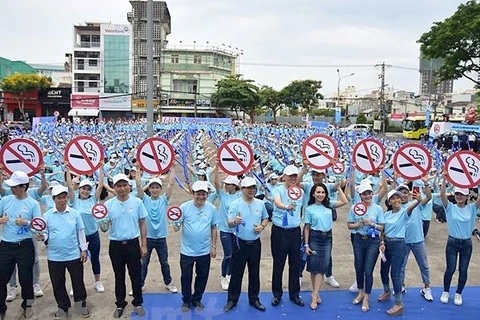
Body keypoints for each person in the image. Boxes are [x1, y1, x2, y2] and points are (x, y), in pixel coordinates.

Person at [39, 185, 90, 319]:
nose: (62, 200)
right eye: (59, 198)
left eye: (64, 197)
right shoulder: (47, 215)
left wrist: (83, 249)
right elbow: (45, 233)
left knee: (78, 281)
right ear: (53, 199)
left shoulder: (74, 213)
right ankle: (62, 306)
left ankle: (81, 304)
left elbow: (80, 231)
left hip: (73, 254)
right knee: (57, 283)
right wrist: (42, 237)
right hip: (54, 256)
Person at [104, 173, 148, 318]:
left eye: (124, 185)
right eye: (119, 186)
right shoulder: (108, 205)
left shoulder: (137, 202)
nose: (122, 189)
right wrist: (101, 222)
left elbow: (142, 223)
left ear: (129, 186)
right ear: (114, 187)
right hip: (116, 245)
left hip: (132, 244)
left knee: (135, 275)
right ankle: (120, 303)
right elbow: (104, 227)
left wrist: (143, 244)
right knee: (119, 276)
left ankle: (138, 303)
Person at [223, 177, 269, 312]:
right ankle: (232, 300)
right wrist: (235, 221)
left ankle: (254, 298)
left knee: (254, 273)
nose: (252, 190)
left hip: (255, 243)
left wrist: (262, 226)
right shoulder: (235, 204)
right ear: (242, 189)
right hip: (239, 243)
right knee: (237, 273)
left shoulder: (260, 203)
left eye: (253, 188)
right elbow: (229, 222)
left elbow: (265, 218)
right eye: (248, 188)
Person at [0, 171, 42, 319]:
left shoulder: (32, 204)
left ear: (23, 187)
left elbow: (39, 225)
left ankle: (28, 305)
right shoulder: (5, 200)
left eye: (15, 186)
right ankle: (1, 309)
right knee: (1, 278)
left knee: (26, 279)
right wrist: (0, 220)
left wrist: (27, 223)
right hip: (6, 245)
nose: (12, 189)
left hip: (25, 245)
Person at [174, 180, 218, 312]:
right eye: (198, 194)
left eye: (204, 194)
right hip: (187, 251)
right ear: (193, 193)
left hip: (204, 251)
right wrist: (175, 224)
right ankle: (186, 300)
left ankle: (197, 298)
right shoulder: (184, 207)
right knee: (186, 277)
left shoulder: (211, 208)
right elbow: (177, 226)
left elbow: (214, 227)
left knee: (202, 276)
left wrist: (214, 246)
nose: (201, 197)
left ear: (207, 194)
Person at [303, 182, 348, 310]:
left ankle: (314, 294)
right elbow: (306, 228)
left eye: (323, 192)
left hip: (327, 238)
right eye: (318, 192)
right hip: (314, 238)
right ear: (313, 193)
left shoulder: (329, 205)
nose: (320, 194)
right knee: (313, 267)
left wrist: (339, 187)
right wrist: (306, 244)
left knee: (322, 268)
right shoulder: (309, 208)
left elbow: (345, 201)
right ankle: (315, 292)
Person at [134, 166, 178, 294]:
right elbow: (138, 186)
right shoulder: (145, 200)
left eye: (157, 187)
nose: (154, 190)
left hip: (161, 238)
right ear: (150, 188)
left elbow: (171, 184)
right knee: (144, 263)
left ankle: (168, 282)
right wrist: (138, 170)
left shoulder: (164, 200)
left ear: (160, 189)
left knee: (164, 262)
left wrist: (173, 168)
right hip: (147, 238)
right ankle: (139, 284)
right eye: (152, 187)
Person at [377, 189, 422, 316]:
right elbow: (383, 231)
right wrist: (382, 243)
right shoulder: (386, 215)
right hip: (387, 245)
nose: (396, 200)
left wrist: (418, 199)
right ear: (389, 202)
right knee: (383, 270)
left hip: (399, 245)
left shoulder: (404, 212)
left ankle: (398, 303)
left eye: (398, 198)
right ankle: (386, 291)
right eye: (393, 198)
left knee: (395, 274)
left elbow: (415, 203)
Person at [439, 174, 480, 306]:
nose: (459, 196)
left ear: (467, 196)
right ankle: (445, 291)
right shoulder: (450, 207)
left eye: (462, 194)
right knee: (450, 269)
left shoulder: (472, 208)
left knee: (463, 270)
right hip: (452, 242)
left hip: (467, 243)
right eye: (457, 194)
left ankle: (458, 293)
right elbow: (443, 196)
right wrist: (444, 179)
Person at [66, 165, 105, 295]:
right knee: (77, 262)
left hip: (93, 235)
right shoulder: (73, 201)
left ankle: (97, 282)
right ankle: (75, 285)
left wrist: (101, 169)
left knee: (95, 258)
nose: (85, 191)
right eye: (83, 188)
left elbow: (100, 185)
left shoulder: (93, 199)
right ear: (80, 189)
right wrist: (67, 170)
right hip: (77, 237)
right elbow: (70, 186)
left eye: (88, 189)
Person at [347, 183, 385, 313]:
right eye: (364, 194)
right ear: (360, 195)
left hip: (373, 241)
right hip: (358, 240)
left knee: (368, 270)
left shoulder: (378, 209)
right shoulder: (355, 208)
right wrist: (358, 224)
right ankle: (361, 292)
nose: (367, 196)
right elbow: (349, 225)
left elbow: (382, 227)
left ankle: (367, 297)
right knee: (359, 267)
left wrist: (372, 223)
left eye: (369, 193)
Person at [271, 165, 304, 307]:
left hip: (295, 232)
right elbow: (277, 202)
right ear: (283, 176)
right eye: (290, 176)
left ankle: (294, 294)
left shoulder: (300, 192)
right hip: (279, 232)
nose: (292, 178)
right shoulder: (277, 189)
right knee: (278, 264)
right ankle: (277, 294)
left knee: (295, 264)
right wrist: (285, 206)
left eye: (295, 176)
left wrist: (305, 167)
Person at [213, 167, 241, 291]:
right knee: (228, 255)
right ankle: (223, 277)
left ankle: (229, 275)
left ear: (234, 186)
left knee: (235, 255)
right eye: (225, 184)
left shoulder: (240, 195)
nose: (226, 186)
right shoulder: (223, 195)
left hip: (237, 230)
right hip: (225, 229)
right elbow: (215, 183)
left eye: (228, 184)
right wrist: (217, 167)